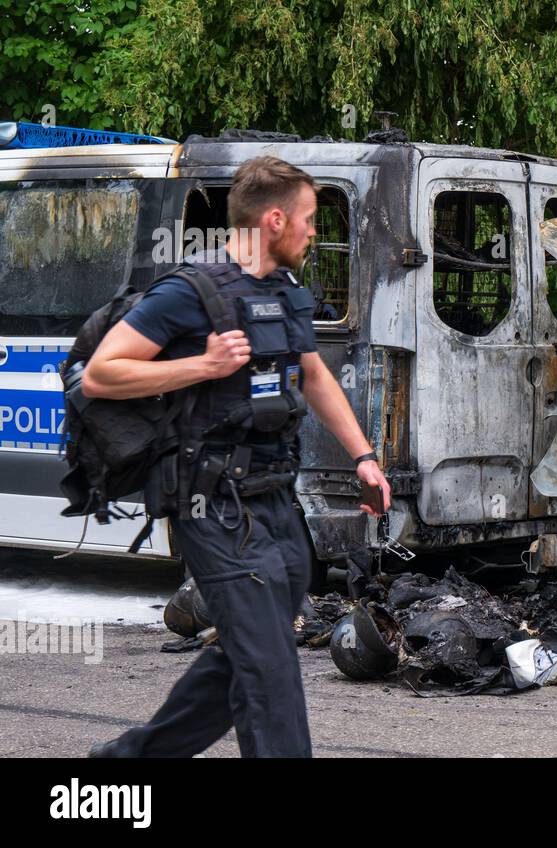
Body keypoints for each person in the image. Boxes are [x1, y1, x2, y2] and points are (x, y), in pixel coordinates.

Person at [81, 156, 390, 758]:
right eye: (306, 219)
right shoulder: (188, 292)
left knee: (247, 655)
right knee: (271, 672)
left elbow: (313, 373)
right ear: (274, 219)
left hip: (276, 504)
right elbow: (102, 374)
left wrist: (364, 456)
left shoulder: (284, 291)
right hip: (212, 508)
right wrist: (204, 365)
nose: (312, 232)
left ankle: (128, 762)